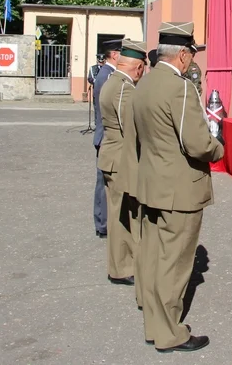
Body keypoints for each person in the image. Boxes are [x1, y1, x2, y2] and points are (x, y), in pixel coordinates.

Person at [133, 22, 223, 353]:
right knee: (175, 263)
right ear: (183, 55)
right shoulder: (180, 87)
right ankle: (170, 333)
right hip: (179, 190)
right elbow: (198, 143)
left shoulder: (143, 84)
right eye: (192, 55)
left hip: (152, 183)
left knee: (155, 258)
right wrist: (219, 147)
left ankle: (155, 324)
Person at [97, 39, 147, 293]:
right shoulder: (125, 89)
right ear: (138, 67)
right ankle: (123, 268)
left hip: (110, 154)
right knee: (126, 217)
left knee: (118, 216)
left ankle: (119, 266)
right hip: (120, 159)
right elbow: (132, 129)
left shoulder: (110, 82)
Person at [92, 40, 122, 238]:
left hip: (102, 134)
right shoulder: (108, 76)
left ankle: (102, 222)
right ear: (115, 55)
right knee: (104, 183)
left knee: (103, 182)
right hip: (106, 135)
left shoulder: (104, 73)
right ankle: (103, 224)